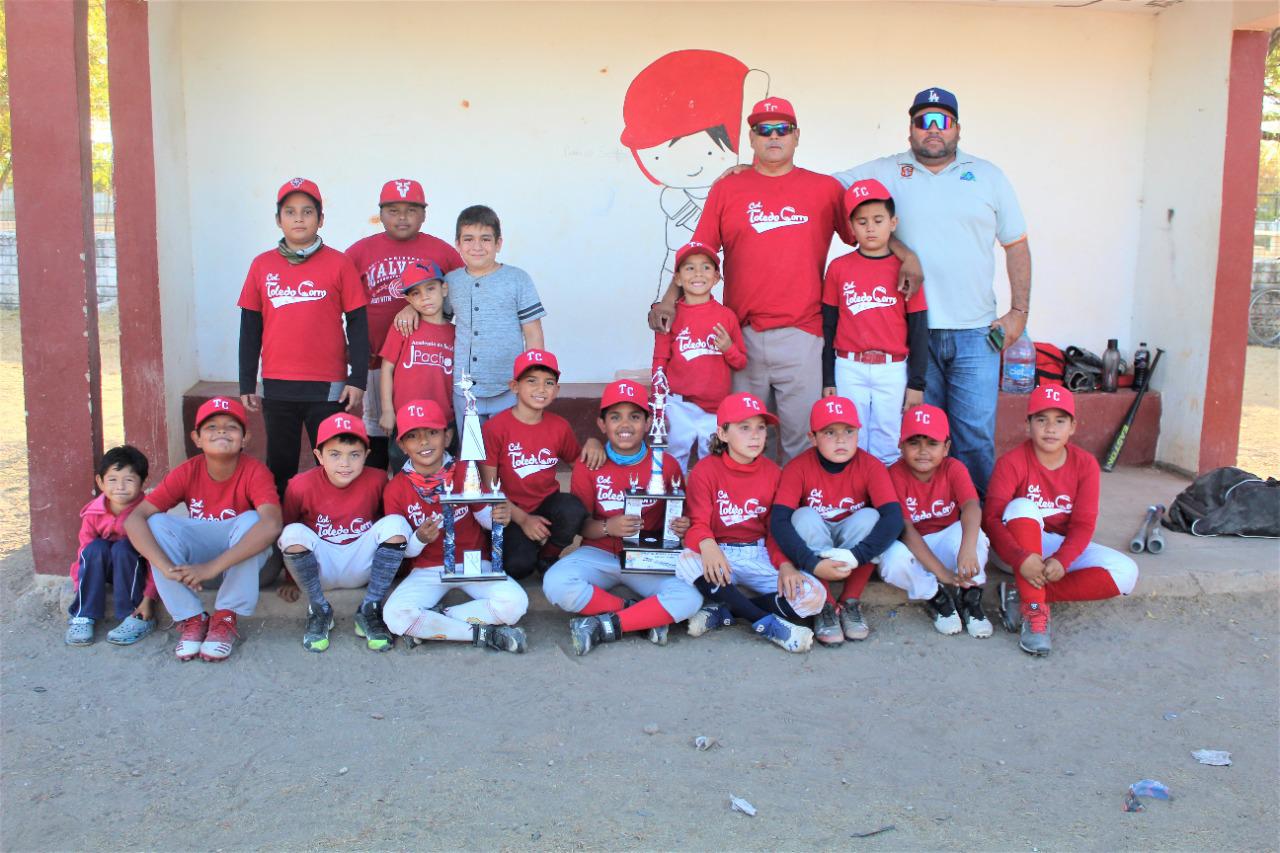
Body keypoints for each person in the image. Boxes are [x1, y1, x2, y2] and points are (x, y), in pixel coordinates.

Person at [649, 97, 921, 463]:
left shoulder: (824, 189)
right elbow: (696, 253)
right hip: (740, 337)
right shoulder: (728, 188)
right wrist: (668, 300)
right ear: (751, 137)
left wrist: (910, 257)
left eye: (782, 129)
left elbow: (872, 234)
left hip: (803, 335)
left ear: (796, 136)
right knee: (741, 443)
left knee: (802, 443)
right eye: (764, 130)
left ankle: (790, 517)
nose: (773, 137)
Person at [833, 87, 1031, 494]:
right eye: (924, 122)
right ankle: (925, 519)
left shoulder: (989, 176)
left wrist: (1019, 313)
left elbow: (1017, 246)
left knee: (974, 437)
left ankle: (980, 528)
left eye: (943, 121)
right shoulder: (888, 171)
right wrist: (754, 172)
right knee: (919, 438)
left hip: (976, 333)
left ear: (958, 127)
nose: (933, 130)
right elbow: (818, 188)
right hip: (910, 333)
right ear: (910, 130)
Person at [542, 380, 700, 655]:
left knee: (690, 597)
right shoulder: (590, 463)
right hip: (599, 553)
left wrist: (680, 526)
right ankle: (639, 615)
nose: (625, 424)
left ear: (648, 422)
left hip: (645, 558)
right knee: (555, 583)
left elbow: (677, 521)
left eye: (635, 417)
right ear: (602, 424)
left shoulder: (667, 465)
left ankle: (609, 625)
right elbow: (583, 527)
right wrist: (608, 527)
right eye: (615, 417)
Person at [238, 177, 370, 497]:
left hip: (328, 386)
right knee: (280, 464)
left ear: (320, 219)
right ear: (278, 219)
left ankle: (332, 528)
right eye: (290, 211)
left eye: (308, 211)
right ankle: (283, 535)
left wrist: (358, 379)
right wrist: (246, 383)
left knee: (333, 462)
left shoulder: (339, 264)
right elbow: (250, 328)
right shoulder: (262, 265)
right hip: (276, 383)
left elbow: (358, 324)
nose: (299, 218)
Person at [983, 385, 1138, 656]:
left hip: (1055, 549)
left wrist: (1063, 560)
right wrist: (1020, 558)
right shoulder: (1012, 462)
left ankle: (1020, 594)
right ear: (1028, 424)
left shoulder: (1085, 464)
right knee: (1024, 506)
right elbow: (992, 520)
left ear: (1073, 427)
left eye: (1060, 421)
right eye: (1041, 419)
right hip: (1012, 550)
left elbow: (1083, 524)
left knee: (1126, 572)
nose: (1050, 428)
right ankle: (1034, 613)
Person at [124, 397, 282, 662]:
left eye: (231, 427)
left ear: (245, 438)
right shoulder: (187, 471)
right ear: (196, 438)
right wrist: (164, 567)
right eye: (211, 427)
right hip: (192, 576)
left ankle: (225, 618)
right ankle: (191, 618)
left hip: (243, 571)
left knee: (254, 521)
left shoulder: (255, 471)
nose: (221, 431)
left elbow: (273, 524)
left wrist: (210, 567)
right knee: (156, 523)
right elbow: (134, 519)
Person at [674, 392, 822, 653]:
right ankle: (770, 625)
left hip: (758, 551)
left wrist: (785, 565)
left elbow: (775, 530)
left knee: (814, 595)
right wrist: (708, 545)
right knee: (685, 561)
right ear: (723, 433)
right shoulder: (705, 470)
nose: (755, 435)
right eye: (744, 428)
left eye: (760, 428)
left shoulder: (774, 473)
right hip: (719, 553)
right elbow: (697, 522)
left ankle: (726, 611)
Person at [380, 400, 528, 653]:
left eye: (432, 433)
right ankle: (482, 635)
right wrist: (419, 538)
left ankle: (438, 618)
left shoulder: (463, 471)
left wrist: (498, 517)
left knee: (516, 603)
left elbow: (484, 520)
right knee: (394, 615)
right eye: (413, 437)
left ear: (447, 436)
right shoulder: (396, 488)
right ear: (402, 445)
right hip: (427, 568)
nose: (424, 442)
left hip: (472, 562)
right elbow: (403, 551)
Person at [345, 178, 463, 469]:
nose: (402, 217)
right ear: (380, 213)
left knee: (424, 431)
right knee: (379, 429)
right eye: (393, 210)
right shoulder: (360, 251)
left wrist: (419, 311)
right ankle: (383, 498)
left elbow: (462, 298)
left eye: (411, 210)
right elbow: (341, 301)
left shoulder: (443, 252)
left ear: (424, 214)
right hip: (377, 360)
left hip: (428, 362)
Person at [770, 397, 903, 646]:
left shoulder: (871, 466)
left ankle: (851, 600)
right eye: (830, 432)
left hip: (850, 548)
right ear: (812, 437)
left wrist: (857, 555)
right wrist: (812, 563)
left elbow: (894, 518)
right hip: (817, 545)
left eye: (848, 431)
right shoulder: (797, 467)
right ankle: (826, 605)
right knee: (803, 516)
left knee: (872, 517)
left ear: (858, 433)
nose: (841, 440)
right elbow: (779, 521)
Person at [277, 413, 409, 653]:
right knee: (292, 532)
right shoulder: (299, 485)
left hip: (361, 565)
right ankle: (319, 609)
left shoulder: (378, 479)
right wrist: (291, 578)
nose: (345, 464)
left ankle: (370, 608)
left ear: (366, 455)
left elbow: (389, 530)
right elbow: (287, 529)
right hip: (320, 570)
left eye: (354, 455)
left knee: (397, 524)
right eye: (335, 454)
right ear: (319, 455)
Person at [821, 179, 928, 465]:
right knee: (850, 432)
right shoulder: (839, 268)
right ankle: (856, 497)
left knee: (888, 437)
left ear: (893, 223)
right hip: (849, 364)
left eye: (878, 220)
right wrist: (828, 376)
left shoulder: (906, 269)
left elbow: (918, 329)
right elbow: (829, 325)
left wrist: (916, 382)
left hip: (892, 367)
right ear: (851, 227)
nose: (870, 228)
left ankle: (885, 502)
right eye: (862, 221)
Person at [479, 350, 599, 579]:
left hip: (546, 504)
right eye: (531, 381)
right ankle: (519, 543)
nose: (541, 389)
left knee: (573, 509)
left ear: (557, 390)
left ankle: (549, 554)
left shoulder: (559, 426)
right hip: (510, 510)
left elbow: (578, 464)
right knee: (518, 567)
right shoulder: (496, 427)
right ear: (514, 386)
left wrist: (593, 443)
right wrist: (523, 519)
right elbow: (489, 485)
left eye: (549, 383)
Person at [880, 404, 991, 637]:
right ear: (900, 446)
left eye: (932, 443)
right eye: (914, 442)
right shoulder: (894, 474)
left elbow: (971, 505)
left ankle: (970, 597)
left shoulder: (953, 468)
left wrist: (968, 549)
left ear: (946, 447)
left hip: (944, 538)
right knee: (891, 561)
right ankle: (936, 596)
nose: (923, 451)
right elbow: (906, 529)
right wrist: (940, 572)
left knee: (976, 537)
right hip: (913, 544)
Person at [437, 205, 545, 436]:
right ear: (457, 244)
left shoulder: (517, 279)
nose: (477, 247)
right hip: (465, 392)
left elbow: (533, 334)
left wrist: (534, 381)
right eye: (468, 239)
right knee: (472, 458)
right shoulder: (450, 282)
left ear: (498, 243)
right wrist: (407, 311)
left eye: (485, 239)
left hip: (509, 389)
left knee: (507, 453)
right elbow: (438, 323)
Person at [650, 240, 745, 472]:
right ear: (678, 279)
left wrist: (728, 347)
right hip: (678, 404)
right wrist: (657, 404)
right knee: (672, 462)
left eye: (706, 267)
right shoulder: (669, 315)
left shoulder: (726, 316)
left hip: (714, 409)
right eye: (689, 267)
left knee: (712, 463)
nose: (698, 273)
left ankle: (705, 506)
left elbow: (741, 361)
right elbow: (660, 360)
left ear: (716, 278)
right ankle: (672, 506)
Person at [65, 445, 158, 647]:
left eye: (129, 480)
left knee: (123, 548)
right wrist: (78, 585)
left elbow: (155, 559)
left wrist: (149, 595)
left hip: (135, 570)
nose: (120, 486)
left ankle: (133, 615)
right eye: (113, 480)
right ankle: (84, 613)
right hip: (106, 569)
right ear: (100, 482)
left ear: (143, 482)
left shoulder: (149, 512)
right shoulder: (93, 513)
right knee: (95, 548)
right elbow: (84, 553)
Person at [377, 261, 455, 470]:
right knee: (404, 475)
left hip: (443, 421)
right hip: (404, 419)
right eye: (416, 293)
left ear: (444, 288)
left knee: (444, 477)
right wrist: (387, 410)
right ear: (408, 299)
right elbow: (387, 368)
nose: (425, 297)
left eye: (431, 288)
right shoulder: (403, 327)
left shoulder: (456, 333)